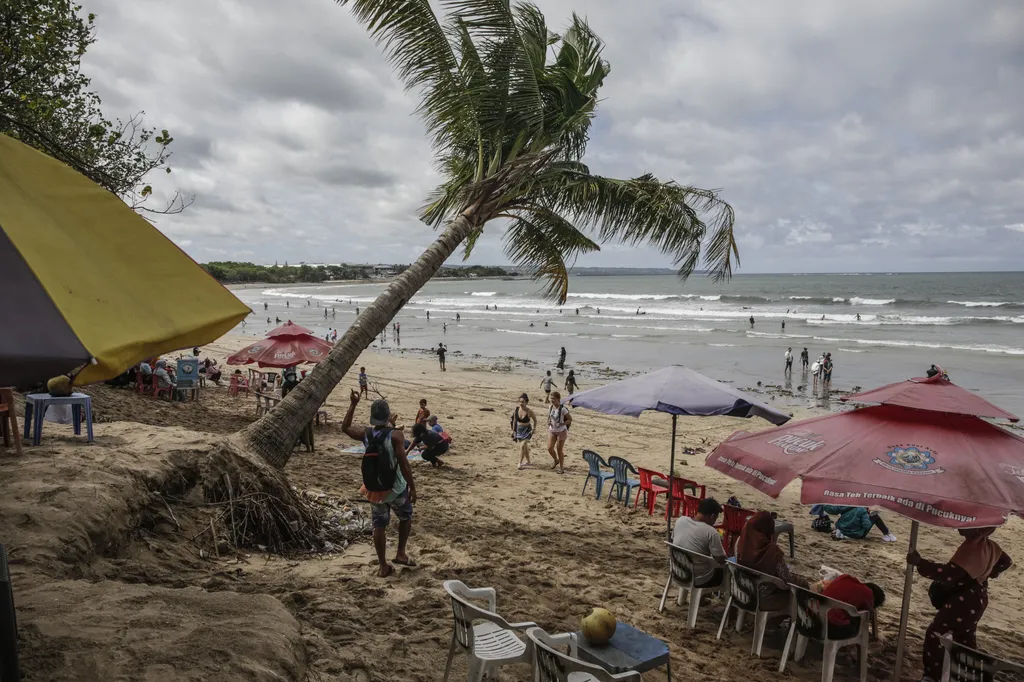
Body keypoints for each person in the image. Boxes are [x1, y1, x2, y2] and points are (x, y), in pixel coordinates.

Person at [908, 528, 1013, 682]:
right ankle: (969, 673)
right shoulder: (989, 546)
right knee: (965, 637)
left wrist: (920, 563)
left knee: (935, 634)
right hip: (979, 597)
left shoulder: (973, 548)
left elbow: (949, 574)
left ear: (976, 528)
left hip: (963, 602)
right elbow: (1006, 561)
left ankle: (932, 676)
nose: (958, 526)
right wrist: (986, 574)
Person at [342, 392, 415, 577]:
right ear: (388, 416)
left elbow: (346, 427)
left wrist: (353, 404)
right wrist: (412, 486)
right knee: (405, 516)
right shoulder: (396, 435)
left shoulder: (366, 434)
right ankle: (400, 553)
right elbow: (404, 463)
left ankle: (383, 565)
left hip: (374, 488)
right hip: (395, 488)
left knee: (379, 525)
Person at [736, 511, 810, 610]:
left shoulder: (739, 544)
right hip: (765, 598)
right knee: (802, 589)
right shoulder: (771, 551)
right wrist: (802, 581)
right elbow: (786, 579)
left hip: (741, 592)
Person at [672, 497, 727, 587]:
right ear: (713, 516)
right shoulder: (711, 532)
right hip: (698, 579)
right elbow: (721, 560)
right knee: (726, 571)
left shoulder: (681, 520)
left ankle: (687, 599)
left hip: (677, 572)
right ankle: (705, 597)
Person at [818, 575, 886, 639]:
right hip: (831, 629)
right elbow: (866, 617)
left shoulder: (843, 578)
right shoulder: (869, 593)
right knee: (858, 625)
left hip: (814, 621)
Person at [813, 505, 897, 542]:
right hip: (856, 534)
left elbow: (833, 510)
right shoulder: (863, 510)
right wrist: (868, 514)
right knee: (875, 517)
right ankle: (887, 534)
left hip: (841, 528)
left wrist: (824, 502)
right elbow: (866, 525)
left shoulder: (847, 504)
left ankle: (887, 534)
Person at [546, 391, 572, 473]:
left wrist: (562, 423)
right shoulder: (550, 407)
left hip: (561, 431)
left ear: (558, 399)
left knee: (559, 449)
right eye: (551, 398)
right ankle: (555, 460)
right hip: (552, 430)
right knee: (550, 448)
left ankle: (561, 468)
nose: (552, 400)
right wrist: (548, 422)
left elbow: (570, 419)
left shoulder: (563, 409)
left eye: (554, 399)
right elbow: (549, 417)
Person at [511, 393, 537, 470]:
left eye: (523, 402)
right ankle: (528, 461)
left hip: (527, 431)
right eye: (520, 402)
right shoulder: (516, 409)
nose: (521, 403)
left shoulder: (530, 411)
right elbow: (514, 420)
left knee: (522, 445)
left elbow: (535, 420)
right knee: (525, 447)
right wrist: (513, 431)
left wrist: (534, 429)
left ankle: (519, 463)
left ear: (526, 402)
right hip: (519, 430)